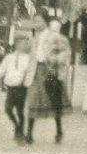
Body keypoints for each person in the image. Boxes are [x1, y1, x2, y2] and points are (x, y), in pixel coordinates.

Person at [25, 15, 72, 145]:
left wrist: (56, 60)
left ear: (45, 22)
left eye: (38, 21)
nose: (36, 23)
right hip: (36, 70)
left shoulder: (54, 36)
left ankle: (59, 131)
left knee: (54, 100)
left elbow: (66, 51)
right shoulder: (34, 38)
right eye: (34, 21)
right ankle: (29, 134)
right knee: (33, 99)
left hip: (50, 71)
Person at [0, 34, 31, 142]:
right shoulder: (9, 57)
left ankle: (20, 133)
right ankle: (17, 126)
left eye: (26, 43)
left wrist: (25, 82)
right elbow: (2, 70)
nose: (26, 45)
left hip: (21, 87)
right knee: (8, 109)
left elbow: (29, 73)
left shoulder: (28, 59)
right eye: (24, 43)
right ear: (17, 44)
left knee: (20, 111)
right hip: (11, 87)